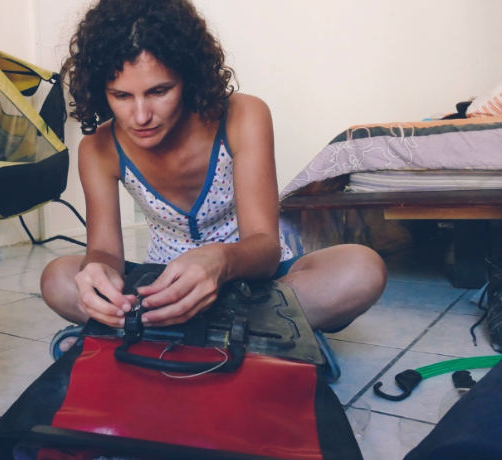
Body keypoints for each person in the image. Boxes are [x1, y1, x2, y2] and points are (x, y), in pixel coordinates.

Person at [40, 0, 388, 372]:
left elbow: (265, 246)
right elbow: (105, 252)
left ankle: (164, 335)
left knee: (362, 268)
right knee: (58, 278)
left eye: (159, 91)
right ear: (101, 89)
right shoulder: (98, 148)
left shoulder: (243, 115)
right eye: (121, 95)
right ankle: (258, 335)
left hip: (255, 277)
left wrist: (220, 261)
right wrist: (98, 273)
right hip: (162, 287)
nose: (140, 116)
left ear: (188, 76)